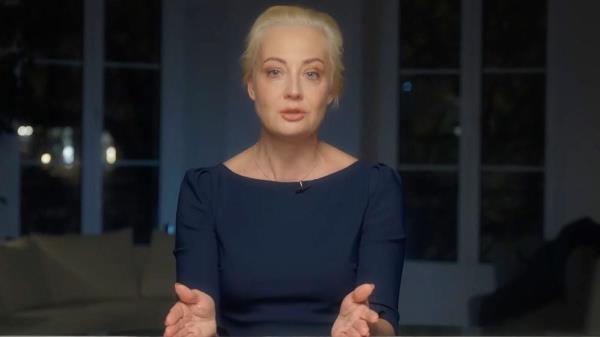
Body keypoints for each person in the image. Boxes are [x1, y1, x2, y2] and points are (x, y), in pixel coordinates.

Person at [163, 5, 405, 337]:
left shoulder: (375, 187)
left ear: (331, 89)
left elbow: (384, 322)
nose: (293, 90)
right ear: (251, 85)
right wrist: (201, 330)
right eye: (275, 71)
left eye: (312, 73)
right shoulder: (204, 190)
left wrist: (367, 329)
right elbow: (198, 313)